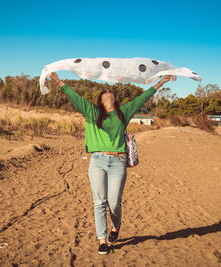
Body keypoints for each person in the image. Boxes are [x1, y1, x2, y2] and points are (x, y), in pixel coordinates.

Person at [49, 72, 174, 255]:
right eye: (104, 92)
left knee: (114, 202)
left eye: (110, 91)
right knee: (99, 202)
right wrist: (58, 81)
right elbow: (74, 96)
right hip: (98, 161)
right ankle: (102, 240)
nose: (108, 91)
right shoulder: (92, 112)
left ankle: (116, 228)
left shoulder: (124, 112)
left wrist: (161, 82)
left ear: (114, 99)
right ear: (100, 100)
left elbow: (143, 97)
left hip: (118, 161)